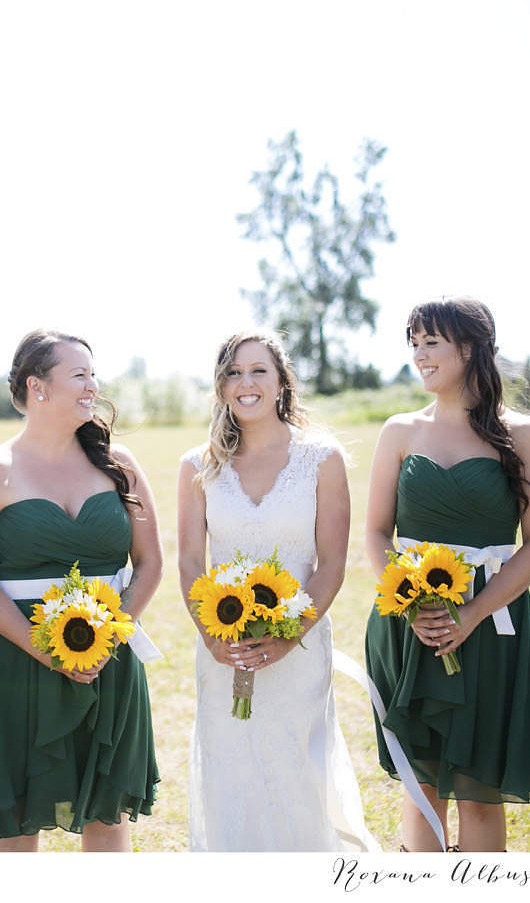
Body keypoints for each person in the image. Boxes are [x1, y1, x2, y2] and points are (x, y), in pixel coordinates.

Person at [0, 329, 161, 851]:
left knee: (108, 816)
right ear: (37, 387)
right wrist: (46, 650)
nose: (93, 385)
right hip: (17, 662)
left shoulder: (120, 463)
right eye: (79, 375)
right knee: (19, 814)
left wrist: (113, 636)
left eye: (93, 374)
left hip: (109, 662)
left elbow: (151, 562)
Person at [362, 296, 530, 852]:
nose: (419, 355)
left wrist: (471, 614)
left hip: (491, 623)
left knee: (478, 787)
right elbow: (376, 533)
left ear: (470, 349)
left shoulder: (524, 435)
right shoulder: (400, 431)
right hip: (410, 625)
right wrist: (408, 603)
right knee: (421, 782)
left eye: (432, 343)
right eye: (414, 343)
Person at [177, 330, 377, 851]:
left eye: (259, 370)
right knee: (230, 767)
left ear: (282, 381)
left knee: (297, 771)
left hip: (300, 646)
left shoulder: (322, 459)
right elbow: (191, 562)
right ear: (220, 388)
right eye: (233, 373)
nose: (246, 383)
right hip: (223, 650)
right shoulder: (198, 465)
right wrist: (212, 638)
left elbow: (331, 563)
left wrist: (291, 636)